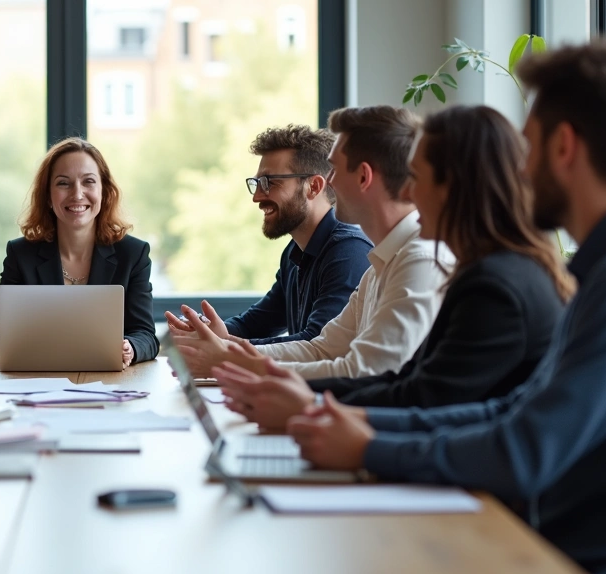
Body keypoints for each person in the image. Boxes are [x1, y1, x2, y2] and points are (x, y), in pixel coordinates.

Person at [268, 45, 606, 574]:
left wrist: (366, 440)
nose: (522, 168)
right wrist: (356, 424)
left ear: (565, 146)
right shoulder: (597, 274)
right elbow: (510, 410)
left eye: (528, 146)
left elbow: (522, 445)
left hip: (573, 565)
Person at [214, 105, 571, 430]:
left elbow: (418, 395)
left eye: (415, 177)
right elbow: (404, 382)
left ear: (450, 189)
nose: (408, 194)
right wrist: (272, 381)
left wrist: (303, 402)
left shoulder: (485, 280)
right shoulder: (417, 264)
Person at [170, 106, 450, 380]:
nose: (330, 182)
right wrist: (227, 352)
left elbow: (365, 370)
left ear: (364, 176)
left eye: (335, 170)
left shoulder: (417, 259)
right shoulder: (379, 264)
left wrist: (231, 359)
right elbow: (322, 349)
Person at [192, 126, 373, 346]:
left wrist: (226, 347)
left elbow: (317, 346)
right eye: (257, 183)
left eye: (270, 182)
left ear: (313, 187)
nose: (257, 197)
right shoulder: (294, 252)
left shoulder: (349, 251)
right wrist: (208, 333)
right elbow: (257, 322)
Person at [0, 137, 157, 367]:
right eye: (63, 183)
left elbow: (146, 335)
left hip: (112, 388)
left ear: (104, 192)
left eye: (88, 181)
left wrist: (130, 348)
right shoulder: (20, 255)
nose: (77, 194)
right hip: (38, 383)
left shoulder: (133, 254)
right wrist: (19, 350)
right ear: (47, 196)